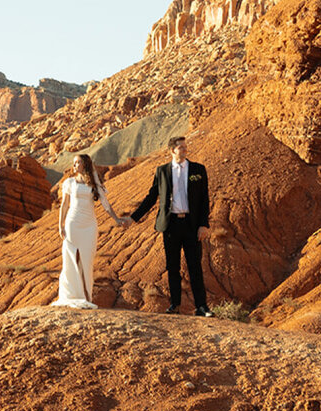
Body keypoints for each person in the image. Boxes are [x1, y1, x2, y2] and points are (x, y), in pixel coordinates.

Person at [130, 135, 212, 316]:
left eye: (185, 147)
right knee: (172, 266)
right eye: (181, 147)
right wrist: (133, 218)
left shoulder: (198, 169)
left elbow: (204, 200)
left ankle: (202, 307)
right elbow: (152, 197)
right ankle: (175, 305)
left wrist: (203, 224)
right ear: (172, 151)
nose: (185, 150)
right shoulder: (162, 171)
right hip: (171, 225)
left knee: (195, 266)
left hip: (192, 225)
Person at [52, 153, 128, 309]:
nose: (75, 166)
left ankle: (85, 296)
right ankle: (72, 294)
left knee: (86, 260)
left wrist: (117, 219)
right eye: (74, 163)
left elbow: (105, 204)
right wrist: (61, 226)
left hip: (89, 225)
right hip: (73, 223)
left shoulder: (93, 183)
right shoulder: (69, 182)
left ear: (85, 165)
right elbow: (64, 205)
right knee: (72, 257)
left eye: (78, 162)